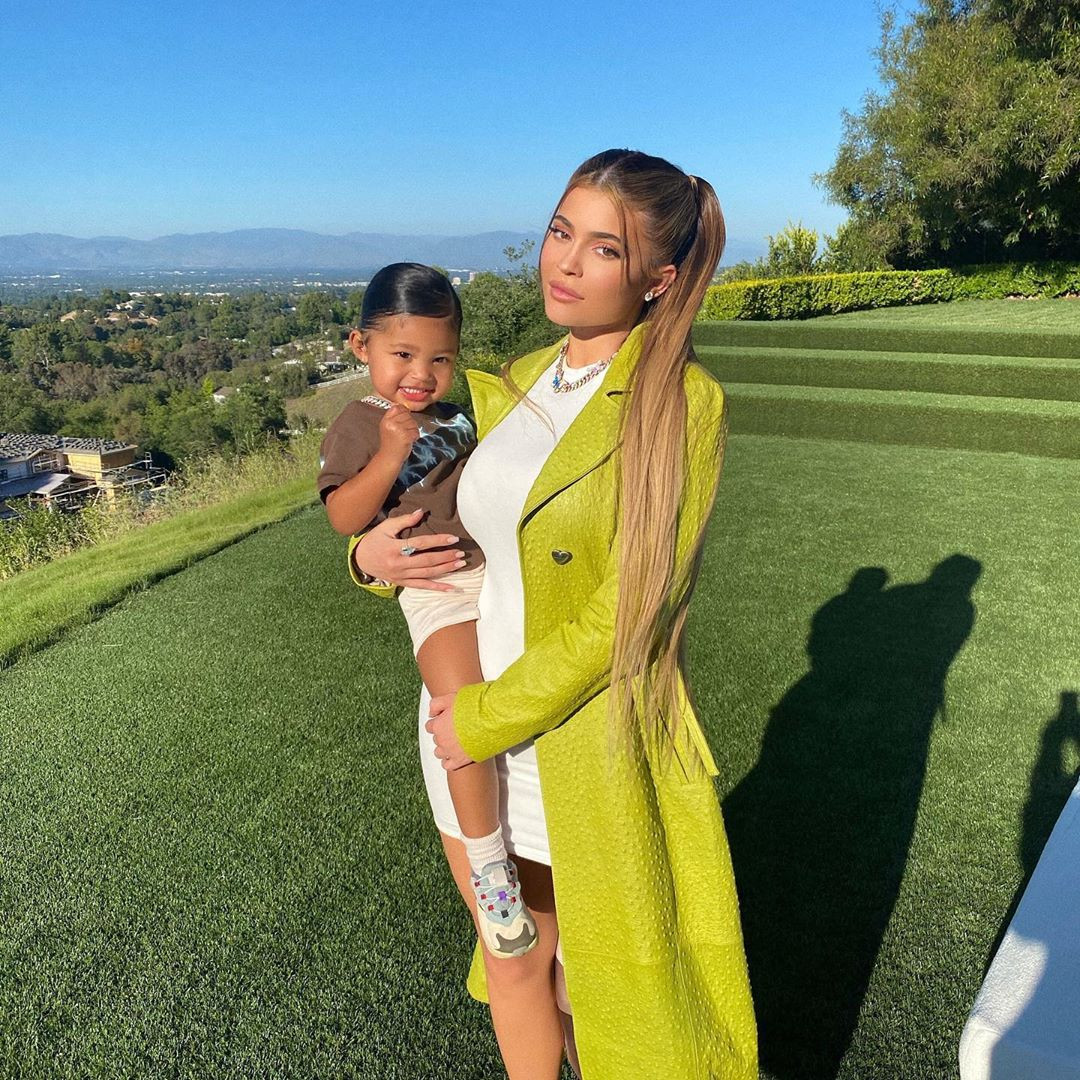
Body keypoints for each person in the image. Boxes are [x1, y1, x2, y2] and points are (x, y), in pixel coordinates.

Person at [347, 150, 757, 1080]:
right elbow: (440, 520)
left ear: (658, 280)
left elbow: (632, 611)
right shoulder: (516, 380)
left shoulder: (680, 402)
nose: (564, 262)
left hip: (566, 742)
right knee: (513, 961)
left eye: (603, 249)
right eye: (560, 231)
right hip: (459, 730)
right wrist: (367, 560)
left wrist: (487, 719)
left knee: (591, 983)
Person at [316, 262, 539, 958]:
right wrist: (389, 456)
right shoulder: (359, 424)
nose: (421, 374)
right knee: (459, 713)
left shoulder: (458, 416)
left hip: (496, 574)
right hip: (436, 589)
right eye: (403, 354)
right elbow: (343, 516)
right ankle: (491, 868)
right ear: (361, 346)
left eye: (440, 358)